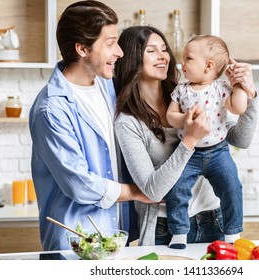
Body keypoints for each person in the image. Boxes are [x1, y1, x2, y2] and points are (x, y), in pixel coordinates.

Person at [114, 26, 258, 247]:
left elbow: (241, 140)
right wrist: (189, 140)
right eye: (151, 51)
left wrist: (248, 93)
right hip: (165, 227)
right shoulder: (128, 122)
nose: (163, 56)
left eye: (164, 49)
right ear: (132, 58)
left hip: (214, 218)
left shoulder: (198, 92)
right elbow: (152, 191)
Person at [29, 0, 152, 251]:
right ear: (82, 49)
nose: (119, 52)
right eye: (110, 44)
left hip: (117, 237)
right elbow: (78, 183)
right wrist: (138, 192)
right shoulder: (51, 109)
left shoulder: (108, 85)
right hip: (76, 243)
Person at [165, 34, 247, 249]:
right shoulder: (181, 89)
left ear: (208, 66)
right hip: (188, 152)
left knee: (231, 187)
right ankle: (179, 233)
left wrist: (238, 84)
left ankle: (232, 232)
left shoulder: (220, 88)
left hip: (218, 151)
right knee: (177, 190)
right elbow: (169, 116)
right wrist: (184, 119)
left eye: (188, 58)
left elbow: (238, 108)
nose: (182, 63)